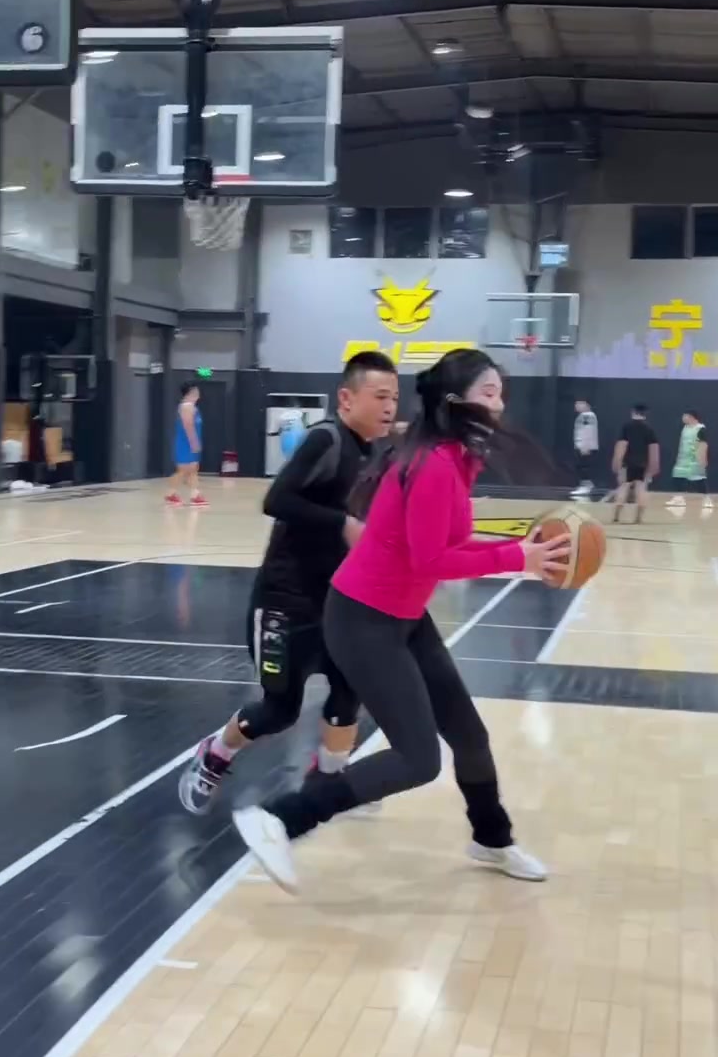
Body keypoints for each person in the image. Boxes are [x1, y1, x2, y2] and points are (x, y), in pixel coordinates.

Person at [231, 348, 570, 894]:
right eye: (489, 392)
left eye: (500, 393)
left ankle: (492, 838)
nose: (499, 404)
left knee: (469, 735)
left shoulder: (456, 457)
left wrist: (517, 548)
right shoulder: (434, 465)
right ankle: (280, 818)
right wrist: (516, 559)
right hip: (363, 619)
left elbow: (448, 542)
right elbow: (431, 560)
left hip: (403, 616)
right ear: (456, 402)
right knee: (418, 759)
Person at [179, 351, 400, 815]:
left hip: (338, 601)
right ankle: (214, 754)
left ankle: (330, 780)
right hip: (286, 599)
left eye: (395, 398)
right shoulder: (326, 441)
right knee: (279, 710)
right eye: (380, 396)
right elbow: (276, 501)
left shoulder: (373, 454)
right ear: (346, 398)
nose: (389, 407)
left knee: (350, 692)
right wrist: (341, 523)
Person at [611, 404, 660, 525]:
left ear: (633, 412)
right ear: (645, 414)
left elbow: (622, 445)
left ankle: (616, 516)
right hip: (642, 464)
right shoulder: (649, 429)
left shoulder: (627, 427)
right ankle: (638, 518)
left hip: (628, 463)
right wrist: (654, 466)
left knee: (624, 487)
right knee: (641, 489)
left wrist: (617, 461)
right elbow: (653, 449)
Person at [165, 382, 208, 507]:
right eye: (196, 391)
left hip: (190, 442)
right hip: (185, 444)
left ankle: (195, 495)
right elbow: (188, 426)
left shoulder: (193, 407)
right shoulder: (186, 407)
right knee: (183, 471)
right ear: (189, 393)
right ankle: (171, 494)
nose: (198, 394)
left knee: (193, 469)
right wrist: (193, 442)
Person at [668, 411, 711, 511]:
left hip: (694, 459)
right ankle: (678, 499)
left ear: (692, 417)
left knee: (699, 480)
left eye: (685, 416)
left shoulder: (700, 429)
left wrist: (703, 459)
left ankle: (706, 499)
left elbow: (703, 444)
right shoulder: (685, 428)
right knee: (678, 477)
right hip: (683, 459)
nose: (683, 418)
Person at [571, 398, 599, 498]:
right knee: (581, 466)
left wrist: (585, 446)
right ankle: (586, 484)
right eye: (576, 404)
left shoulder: (587, 416)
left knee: (584, 467)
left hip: (585, 446)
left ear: (587, 405)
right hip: (582, 446)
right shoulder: (584, 416)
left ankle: (586, 486)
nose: (576, 406)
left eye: (579, 404)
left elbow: (588, 430)